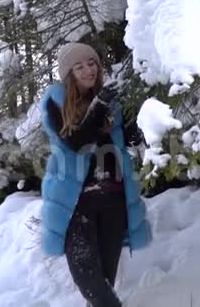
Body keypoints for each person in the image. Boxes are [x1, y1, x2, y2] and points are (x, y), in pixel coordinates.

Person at [39, 42, 152, 307]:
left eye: (91, 63)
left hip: (112, 200)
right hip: (76, 205)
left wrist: (138, 112)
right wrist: (101, 105)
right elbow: (77, 142)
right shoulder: (57, 100)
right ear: (69, 74)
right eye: (79, 66)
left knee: (104, 280)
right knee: (89, 279)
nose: (88, 70)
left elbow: (131, 139)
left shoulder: (109, 100)